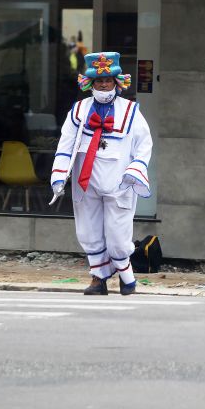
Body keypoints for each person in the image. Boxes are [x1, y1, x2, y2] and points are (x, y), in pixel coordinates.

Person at [51, 52, 152, 296]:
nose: (104, 84)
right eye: (99, 81)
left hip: (118, 182)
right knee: (88, 233)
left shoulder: (130, 111)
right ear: (91, 83)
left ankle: (127, 277)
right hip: (85, 183)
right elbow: (65, 145)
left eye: (108, 80)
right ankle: (98, 280)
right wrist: (58, 176)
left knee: (118, 238)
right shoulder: (78, 111)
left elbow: (144, 144)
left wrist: (135, 169)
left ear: (117, 82)